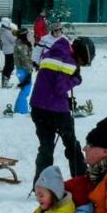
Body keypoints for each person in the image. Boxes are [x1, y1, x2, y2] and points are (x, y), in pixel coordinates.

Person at [29, 20, 83, 180]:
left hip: (38, 106)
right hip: (56, 111)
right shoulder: (69, 60)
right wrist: (76, 79)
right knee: (71, 145)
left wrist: (65, 100)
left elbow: (51, 83)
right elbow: (60, 88)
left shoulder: (51, 52)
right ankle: (80, 179)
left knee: (45, 147)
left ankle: (41, 183)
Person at [13, 31, 33, 115]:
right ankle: (22, 110)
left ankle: (18, 109)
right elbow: (25, 60)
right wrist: (29, 72)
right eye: (27, 35)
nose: (29, 36)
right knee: (26, 89)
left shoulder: (21, 43)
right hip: (23, 69)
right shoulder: (22, 45)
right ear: (23, 36)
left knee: (24, 88)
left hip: (21, 69)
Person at [0, 18, 17, 88]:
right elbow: (14, 40)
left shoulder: (3, 30)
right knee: (10, 66)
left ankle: (5, 81)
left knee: (8, 66)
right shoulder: (6, 32)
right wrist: (16, 35)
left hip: (7, 50)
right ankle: (5, 81)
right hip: (9, 50)